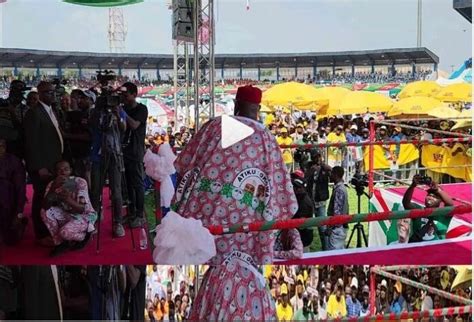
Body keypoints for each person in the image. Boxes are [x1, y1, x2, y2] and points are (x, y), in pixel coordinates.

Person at [171, 85, 295, 320]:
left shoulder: (215, 126)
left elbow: (184, 163)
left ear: (236, 105)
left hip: (207, 227)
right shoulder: (266, 139)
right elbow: (282, 195)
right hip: (248, 233)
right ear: (257, 109)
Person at [24, 81, 64, 245]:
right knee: (41, 198)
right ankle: (41, 234)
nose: (52, 94)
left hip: (53, 162)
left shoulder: (51, 111)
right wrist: (39, 166)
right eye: (48, 92)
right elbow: (30, 143)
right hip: (42, 166)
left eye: (53, 92)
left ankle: (50, 229)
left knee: (50, 198)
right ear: (39, 93)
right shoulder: (34, 113)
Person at [89, 90, 127, 238]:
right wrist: (98, 111)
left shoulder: (120, 111)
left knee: (116, 192)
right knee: (96, 191)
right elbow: (94, 127)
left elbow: (123, 129)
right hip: (98, 155)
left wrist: (118, 115)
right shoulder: (95, 113)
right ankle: (94, 219)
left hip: (115, 155)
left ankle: (118, 222)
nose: (109, 103)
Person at [41, 160, 96, 257]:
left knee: (64, 232)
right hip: (67, 213)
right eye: (59, 170)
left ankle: (86, 236)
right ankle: (60, 243)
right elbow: (45, 206)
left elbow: (82, 209)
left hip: (84, 215)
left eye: (66, 169)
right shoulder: (52, 184)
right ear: (55, 172)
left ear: (71, 170)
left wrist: (68, 199)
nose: (63, 172)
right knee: (44, 211)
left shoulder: (80, 182)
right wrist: (53, 188)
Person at [119, 82, 149, 228]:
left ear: (134, 94)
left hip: (135, 152)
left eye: (126, 95)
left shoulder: (141, 109)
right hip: (122, 151)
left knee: (137, 185)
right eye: (122, 95)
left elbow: (135, 125)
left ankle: (139, 214)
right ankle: (131, 213)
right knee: (127, 185)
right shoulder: (121, 108)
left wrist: (122, 114)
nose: (123, 98)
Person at [402, 175, 454, 242]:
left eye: (434, 197)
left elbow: (450, 205)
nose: (430, 197)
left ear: (441, 200)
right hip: (417, 247)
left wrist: (438, 190)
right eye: (429, 195)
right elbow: (406, 203)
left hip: (438, 249)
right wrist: (412, 186)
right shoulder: (419, 210)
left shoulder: (443, 214)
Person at [63, 89, 94, 185]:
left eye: (84, 98)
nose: (80, 100)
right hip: (73, 153)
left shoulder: (91, 115)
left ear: (91, 101)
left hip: (85, 153)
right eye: (79, 98)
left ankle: (87, 198)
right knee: (73, 178)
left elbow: (89, 136)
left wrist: (67, 136)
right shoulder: (75, 114)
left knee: (84, 178)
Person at [0, 138, 27, 245]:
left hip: (7, 200)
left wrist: (19, 213)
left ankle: (20, 224)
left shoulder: (13, 161)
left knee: (10, 241)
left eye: (1, 146)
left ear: (5, 148)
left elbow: (20, 189)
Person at [305, 150, 331, 250]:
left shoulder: (325, 167)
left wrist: (324, 167)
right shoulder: (309, 167)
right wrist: (311, 171)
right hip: (310, 201)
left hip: (320, 202)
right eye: (316, 157)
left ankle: (326, 248)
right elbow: (305, 178)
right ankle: (307, 247)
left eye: (319, 156)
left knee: (322, 227)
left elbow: (332, 173)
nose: (318, 159)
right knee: (309, 226)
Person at [327, 166, 349, 250]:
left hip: (337, 229)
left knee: (334, 256)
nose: (330, 175)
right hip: (340, 227)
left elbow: (337, 211)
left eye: (331, 173)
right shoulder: (341, 188)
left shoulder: (339, 190)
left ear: (336, 175)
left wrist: (331, 227)